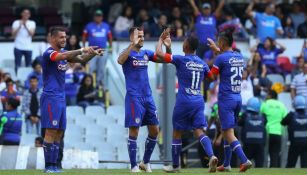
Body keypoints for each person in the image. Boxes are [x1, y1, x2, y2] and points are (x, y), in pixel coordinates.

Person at [41, 26, 103, 173]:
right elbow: (61, 57)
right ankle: (48, 166)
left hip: (61, 98)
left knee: (59, 132)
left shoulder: (64, 53)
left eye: (65, 37)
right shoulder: (49, 53)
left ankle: (55, 165)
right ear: (53, 38)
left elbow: (81, 60)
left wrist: (92, 53)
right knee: (50, 131)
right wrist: (82, 49)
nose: (64, 39)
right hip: (51, 97)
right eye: (61, 37)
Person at [154, 31, 218, 172]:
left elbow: (159, 54)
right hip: (198, 100)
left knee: (177, 133)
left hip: (184, 100)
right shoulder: (202, 63)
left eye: (184, 42)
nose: (182, 43)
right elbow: (212, 78)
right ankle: (212, 156)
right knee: (199, 131)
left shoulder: (181, 60)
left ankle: (175, 166)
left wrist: (160, 39)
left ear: (187, 46)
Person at [117, 27, 164, 173]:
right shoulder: (127, 53)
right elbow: (119, 60)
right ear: (132, 37)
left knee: (155, 130)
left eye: (143, 36)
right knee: (134, 132)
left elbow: (162, 58)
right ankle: (133, 166)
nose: (142, 38)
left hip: (148, 97)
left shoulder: (146, 53)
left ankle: (145, 162)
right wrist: (132, 45)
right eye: (139, 36)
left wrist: (163, 42)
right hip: (134, 97)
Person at [207, 27, 252, 172]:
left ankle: (244, 160)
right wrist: (217, 50)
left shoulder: (220, 58)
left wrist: (202, 66)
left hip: (226, 99)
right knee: (228, 130)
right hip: (238, 99)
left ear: (221, 42)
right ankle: (226, 164)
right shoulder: (238, 56)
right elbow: (227, 58)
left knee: (227, 132)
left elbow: (212, 75)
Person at [82, 9, 112, 86]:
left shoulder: (106, 26)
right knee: (91, 68)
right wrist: (83, 47)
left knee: (101, 69)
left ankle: (99, 86)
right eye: (97, 16)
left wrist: (111, 47)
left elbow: (110, 37)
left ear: (102, 17)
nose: (98, 18)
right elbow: (84, 36)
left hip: (102, 50)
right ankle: (90, 85)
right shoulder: (89, 26)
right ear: (94, 17)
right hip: (91, 50)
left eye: (100, 16)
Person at [260, 90, 287, 167]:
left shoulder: (265, 104)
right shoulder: (282, 105)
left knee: (264, 154)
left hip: (267, 132)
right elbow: (286, 118)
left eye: (267, 94)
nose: (266, 96)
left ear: (270, 95)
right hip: (278, 132)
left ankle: (264, 171)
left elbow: (260, 115)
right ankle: (274, 170)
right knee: (275, 154)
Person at [238, 97, 266, 167]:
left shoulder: (245, 115)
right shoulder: (263, 116)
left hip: (247, 143)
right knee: (259, 165)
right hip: (260, 144)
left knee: (244, 164)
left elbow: (239, 123)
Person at [281, 95, 307, 168]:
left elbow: (282, 122)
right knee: (305, 166)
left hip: (294, 144)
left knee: (290, 165)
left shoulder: (291, 115)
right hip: (306, 144)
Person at [12, 8, 36, 73]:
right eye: (24, 13)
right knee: (17, 65)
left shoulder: (32, 23)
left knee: (28, 66)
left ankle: (27, 80)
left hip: (28, 48)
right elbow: (13, 35)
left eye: (28, 13)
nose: (26, 14)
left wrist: (25, 26)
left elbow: (32, 34)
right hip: (18, 47)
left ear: (29, 15)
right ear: (21, 14)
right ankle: (17, 80)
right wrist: (19, 26)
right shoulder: (16, 22)